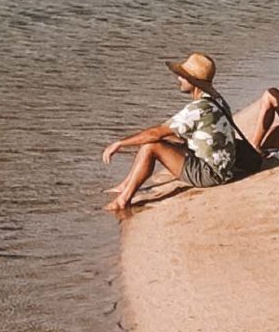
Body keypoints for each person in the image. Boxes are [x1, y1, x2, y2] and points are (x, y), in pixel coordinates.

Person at [102, 52, 259, 215]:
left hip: (211, 174)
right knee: (158, 139)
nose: (179, 79)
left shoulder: (198, 109)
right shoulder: (216, 99)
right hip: (225, 166)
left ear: (192, 81)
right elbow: (175, 133)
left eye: (182, 76)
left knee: (151, 146)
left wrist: (120, 143)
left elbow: (156, 133)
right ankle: (125, 185)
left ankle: (123, 200)